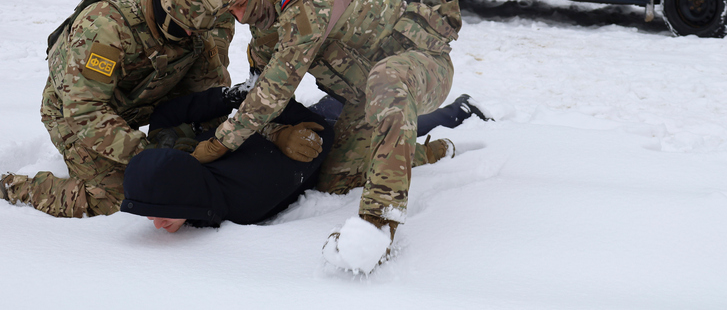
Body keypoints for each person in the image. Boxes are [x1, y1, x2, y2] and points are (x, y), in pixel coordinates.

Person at [193, 0, 462, 272]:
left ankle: (377, 225)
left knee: (386, 78)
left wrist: (222, 140)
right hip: (367, 99)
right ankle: (426, 153)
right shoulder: (265, 36)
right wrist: (279, 134)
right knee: (335, 181)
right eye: (228, 11)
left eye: (239, 1)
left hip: (422, 67)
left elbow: (279, 81)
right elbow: (260, 97)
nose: (238, 15)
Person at [0, 0, 233, 218]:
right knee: (128, 195)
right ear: (164, 7)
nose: (192, 33)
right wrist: (149, 155)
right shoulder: (105, 27)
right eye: (187, 26)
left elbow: (209, 93)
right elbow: (85, 111)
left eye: (200, 27)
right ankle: (11, 188)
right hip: (74, 113)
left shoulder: (194, 23)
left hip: (141, 104)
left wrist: (210, 141)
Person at [121, 93, 491, 233]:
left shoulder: (235, 188)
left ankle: (456, 114)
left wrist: (232, 99)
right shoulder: (237, 198)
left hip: (318, 131)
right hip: (315, 149)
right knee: (382, 135)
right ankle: (446, 130)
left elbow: (167, 113)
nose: (155, 222)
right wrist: (279, 131)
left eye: (160, 210)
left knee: (393, 127)